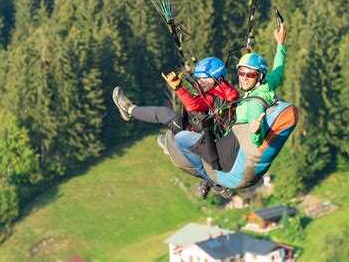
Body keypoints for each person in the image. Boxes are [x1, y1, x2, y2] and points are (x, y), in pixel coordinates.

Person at [174, 23, 288, 191]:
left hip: (229, 151)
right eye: (241, 72)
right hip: (229, 141)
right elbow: (279, 70)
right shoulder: (266, 86)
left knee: (180, 139)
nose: (243, 78)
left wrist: (257, 130)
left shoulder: (254, 104)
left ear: (259, 76)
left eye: (249, 74)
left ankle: (210, 180)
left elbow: (256, 142)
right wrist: (280, 44)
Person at [112, 57, 240, 197]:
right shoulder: (228, 91)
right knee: (172, 117)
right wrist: (191, 73)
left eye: (204, 78)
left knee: (162, 113)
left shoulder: (215, 96)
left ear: (218, 78)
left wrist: (178, 88)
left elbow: (194, 105)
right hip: (207, 128)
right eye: (199, 78)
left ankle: (129, 110)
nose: (200, 81)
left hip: (200, 132)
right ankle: (205, 181)